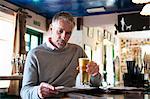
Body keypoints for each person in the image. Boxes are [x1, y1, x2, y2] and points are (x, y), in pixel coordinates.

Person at [20, 11, 102, 99]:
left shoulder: (78, 51)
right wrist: (38, 92)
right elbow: (25, 91)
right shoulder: (34, 54)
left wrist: (95, 74)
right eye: (60, 31)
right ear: (51, 29)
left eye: (68, 33)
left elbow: (95, 85)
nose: (64, 37)